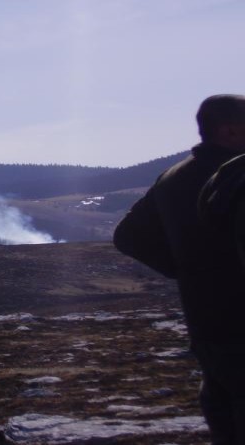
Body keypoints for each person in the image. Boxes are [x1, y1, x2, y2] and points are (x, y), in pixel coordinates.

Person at [114, 94, 245, 444]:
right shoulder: (239, 175)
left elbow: (128, 236)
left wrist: (187, 270)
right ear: (231, 132)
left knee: (223, 413)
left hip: (205, 320)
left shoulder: (173, 177)